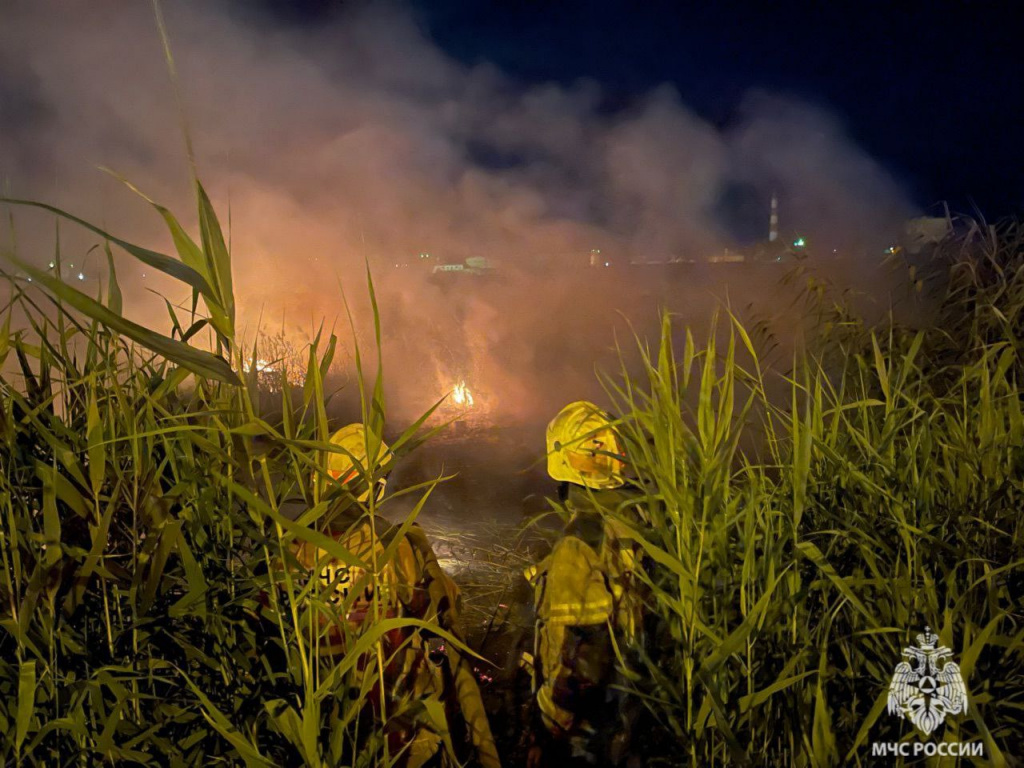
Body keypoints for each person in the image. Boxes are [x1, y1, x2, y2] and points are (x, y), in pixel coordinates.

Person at [274, 423, 501, 768]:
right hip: (395, 724)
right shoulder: (396, 549)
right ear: (373, 488)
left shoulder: (288, 554)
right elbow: (442, 621)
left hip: (315, 725)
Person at [523, 401, 648, 766]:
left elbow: (584, 661)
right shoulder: (638, 522)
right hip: (631, 721)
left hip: (587, 738)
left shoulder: (578, 545)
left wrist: (547, 725)